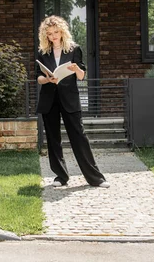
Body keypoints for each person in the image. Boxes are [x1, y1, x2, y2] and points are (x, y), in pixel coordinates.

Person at [36, 15, 110, 188]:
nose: (53, 36)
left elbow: (82, 76)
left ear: (62, 31)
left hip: (70, 99)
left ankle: (96, 178)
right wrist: (47, 80)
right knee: (53, 140)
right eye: (49, 33)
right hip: (49, 99)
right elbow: (38, 77)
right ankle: (60, 177)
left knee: (79, 137)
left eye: (56, 32)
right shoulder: (42, 52)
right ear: (45, 35)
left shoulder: (74, 49)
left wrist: (77, 69)